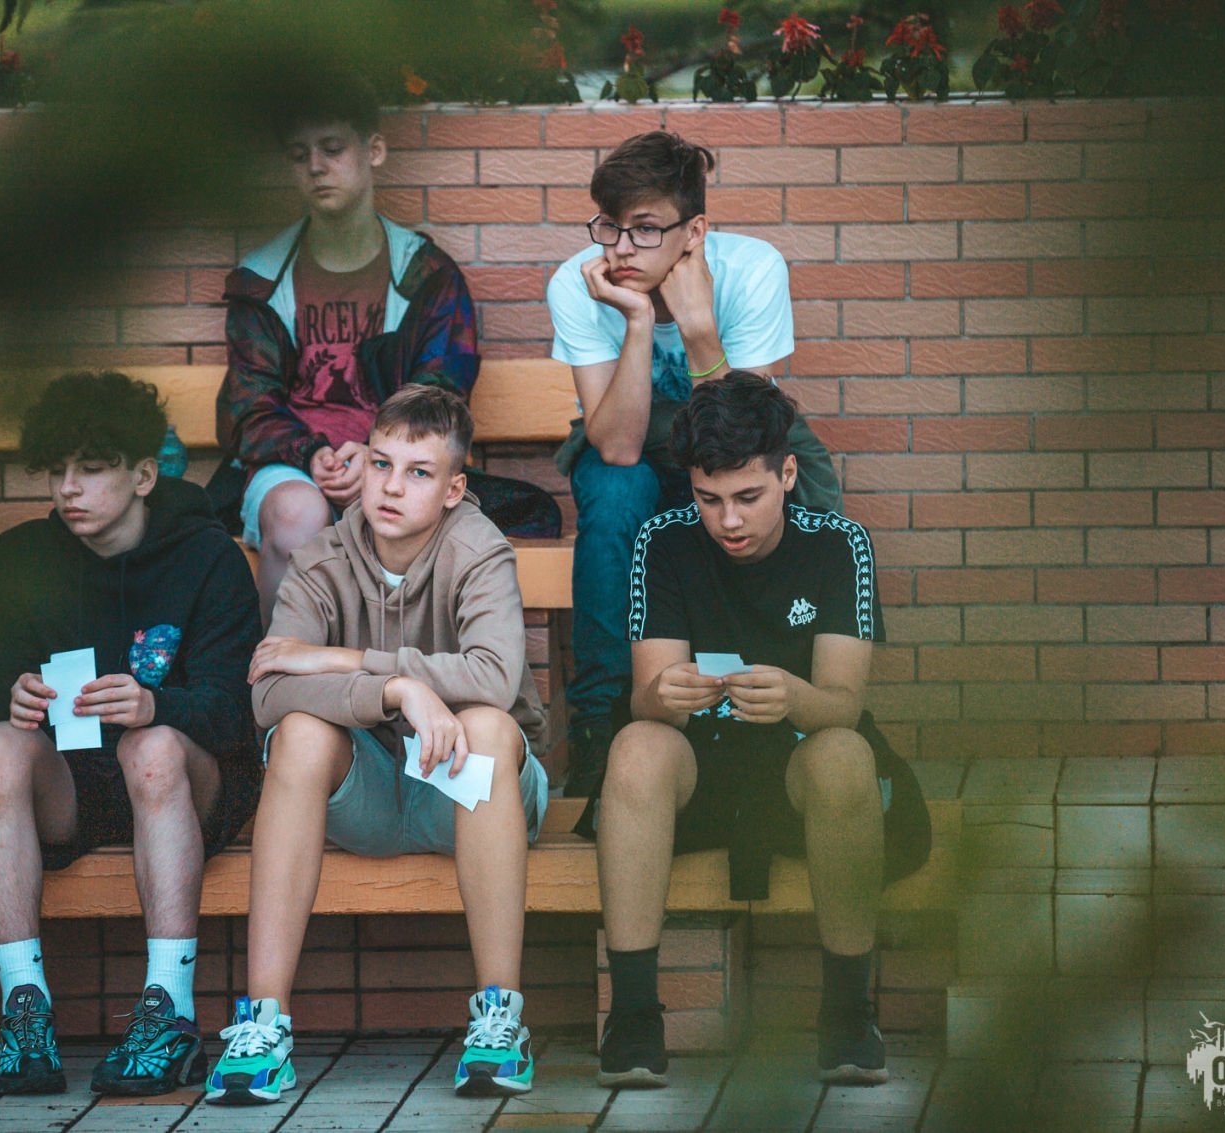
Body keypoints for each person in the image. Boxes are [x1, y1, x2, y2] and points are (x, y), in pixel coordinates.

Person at [207, 385, 548, 1104]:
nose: (392, 487)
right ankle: (263, 1027)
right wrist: (395, 692)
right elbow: (268, 692)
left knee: (487, 726)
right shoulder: (323, 556)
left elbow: (493, 676)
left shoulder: (480, 549)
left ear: (454, 488)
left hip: (465, 794)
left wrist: (349, 661)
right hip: (364, 794)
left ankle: (500, 1020)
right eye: (381, 463)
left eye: (419, 472)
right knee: (299, 734)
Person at [590, 374, 927, 1089]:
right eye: (709, 499)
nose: (728, 521)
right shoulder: (664, 539)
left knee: (845, 755)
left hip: (795, 763)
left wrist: (796, 696)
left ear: (788, 473)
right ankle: (634, 1019)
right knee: (636, 745)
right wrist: (662, 694)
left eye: (748, 496)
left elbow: (843, 704)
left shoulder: (839, 544)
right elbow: (649, 698)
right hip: (700, 766)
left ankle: (849, 1014)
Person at [0, 371, 261, 1097]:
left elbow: (235, 710)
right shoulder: (18, 557)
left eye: (92, 469)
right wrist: (14, 698)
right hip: (70, 787)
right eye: (57, 470)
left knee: (149, 748)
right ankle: (24, 1008)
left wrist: (156, 705)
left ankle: (170, 1013)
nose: (69, 488)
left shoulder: (207, 555)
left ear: (142, 476)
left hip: (185, 786)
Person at [545, 130, 842, 797]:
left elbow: (743, 437)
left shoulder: (753, 269)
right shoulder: (577, 283)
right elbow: (617, 445)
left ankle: (799, 703)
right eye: (610, 227)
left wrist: (700, 326)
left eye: (645, 229)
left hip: (732, 436)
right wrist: (638, 322)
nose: (621, 249)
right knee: (614, 490)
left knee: (790, 486)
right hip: (633, 439)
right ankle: (601, 726)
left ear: (695, 231)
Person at [212, 75, 480, 624]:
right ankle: (280, 675)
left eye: (332, 148)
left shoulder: (425, 275)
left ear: (373, 150)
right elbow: (247, 406)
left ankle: (385, 676)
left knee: (394, 507)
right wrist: (311, 453)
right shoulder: (262, 279)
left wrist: (377, 454)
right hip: (291, 465)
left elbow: (442, 394)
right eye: (299, 155)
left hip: (398, 459)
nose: (315, 166)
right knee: (297, 516)